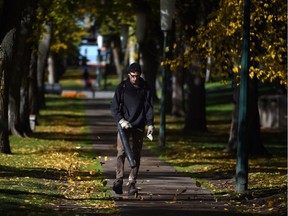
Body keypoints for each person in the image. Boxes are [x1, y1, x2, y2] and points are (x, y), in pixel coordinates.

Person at [110, 62, 154, 195]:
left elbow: (148, 108)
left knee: (136, 154)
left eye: (137, 76)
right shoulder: (122, 87)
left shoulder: (145, 88)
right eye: (132, 76)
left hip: (139, 125)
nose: (135, 79)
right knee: (121, 152)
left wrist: (150, 123)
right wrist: (121, 120)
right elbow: (114, 107)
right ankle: (119, 180)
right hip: (124, 126)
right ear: (129, 74)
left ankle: (132, 182)